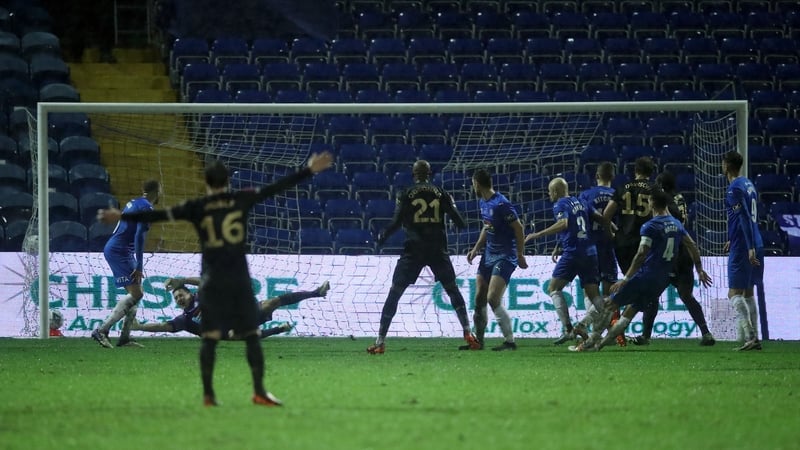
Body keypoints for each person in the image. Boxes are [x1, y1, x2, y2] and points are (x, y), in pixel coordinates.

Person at [97, 152, 334, 406]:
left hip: (211, 281)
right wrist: (308, 170)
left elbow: (159, 215)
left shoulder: (197, 207)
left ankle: (209, 395)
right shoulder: (241, 199)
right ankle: (259, 392)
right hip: (238, 279)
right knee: (252, 335)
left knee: (209, 338)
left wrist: (121, 216)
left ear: (207, 183)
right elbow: (276, 188)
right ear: (227, 183)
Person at [570, 189, 713, 352]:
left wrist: (626, 279)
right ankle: (600, 345)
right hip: (661, 280)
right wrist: (699, 269)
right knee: (631, 311)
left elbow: (640, 254)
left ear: (652, 203)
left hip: (644, 275)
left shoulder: (650, 226)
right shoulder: (677, 224)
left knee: (610, 303)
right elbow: (692, 245)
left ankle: (586, 336)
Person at [368, 160, 481, 354]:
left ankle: (380, 341)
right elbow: (459, 221)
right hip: (437, 248)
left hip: (414, 249)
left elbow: (395, 222)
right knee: (452, 290)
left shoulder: (406, 194)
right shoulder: (441, 193)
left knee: (395, 292)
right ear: (430, 173)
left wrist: (383, 236)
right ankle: (469, 334)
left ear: (414, 174)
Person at [630, 171, 716, 346]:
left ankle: (646, 336)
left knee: (651, 296)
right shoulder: (680, 198)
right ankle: (706, 333)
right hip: (684, 253)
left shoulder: (666, 203)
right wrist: (699, 267)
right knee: (686, 295)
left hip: (667, 256)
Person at [524, 177, 613, 345]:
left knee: (553, 288)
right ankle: (610, 330)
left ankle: (568, 329)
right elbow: (602, 218)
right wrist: (614, 231)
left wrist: (537, 234)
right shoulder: (582, 202)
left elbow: (563, 224)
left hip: (573, 253)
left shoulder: (560, 204)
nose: (549, 194)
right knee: (595, 296)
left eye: (550, 191)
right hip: (590, 252)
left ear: (556, 191)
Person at [131, 278, 330, 338]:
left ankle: (316, 293)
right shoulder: (186, 319)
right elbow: (163, 327)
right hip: (228, 331)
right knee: (235, 335)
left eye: (181, 294)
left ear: (189, 293)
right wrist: (139, 327)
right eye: (176, 298)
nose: (179, 298)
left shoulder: (202, 294)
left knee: (272, 302)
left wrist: (182, 279)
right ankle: (279, 329)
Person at [92, 179, 161, 349]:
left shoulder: (135, 202)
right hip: (119, 251)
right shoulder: (146, 208)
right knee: (137, 294)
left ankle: (124, 338)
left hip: (120, 249)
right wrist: (139, 266)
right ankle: (102, 330)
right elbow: (139, 236)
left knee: (137, 293)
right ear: (157, 191)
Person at [465, 168, 528, 351]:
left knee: (492, 298)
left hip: (505, 255)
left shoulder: (502, 204)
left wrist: (520, 254)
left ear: (477, 183)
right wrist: (477, 248)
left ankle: (510, 341)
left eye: (472, 183)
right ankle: (479, 341)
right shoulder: (483, 202)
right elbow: (487, 226)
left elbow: (519, 228)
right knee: (479, 298)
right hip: (488, 254)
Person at [722, 151, 764, 351]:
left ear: (727, 166)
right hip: (756, 239)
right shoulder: (748, 184)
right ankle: (754, 337)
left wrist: (748, 247)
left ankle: (750, 335)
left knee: (733, 293)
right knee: (748, 292)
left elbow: (745, 217)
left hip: (745, 245)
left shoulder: (733, 189)